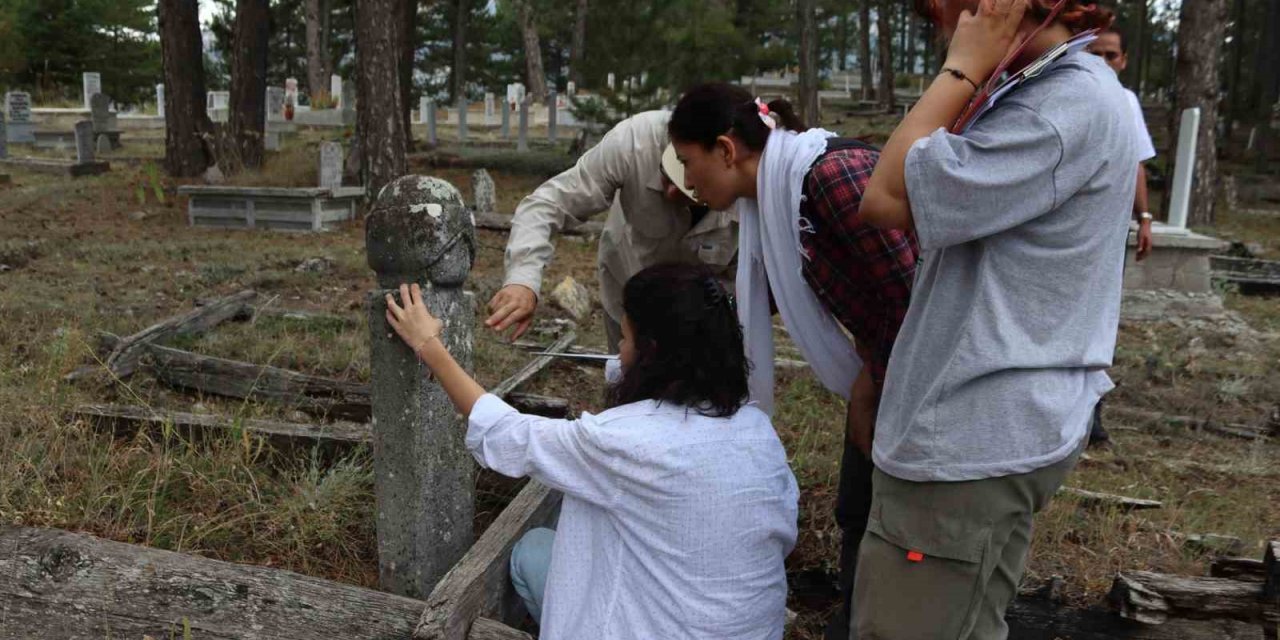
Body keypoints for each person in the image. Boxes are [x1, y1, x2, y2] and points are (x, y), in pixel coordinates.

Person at [854, 0, 1134, 636]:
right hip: (992, 425)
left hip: (969, 438)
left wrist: (961, 68)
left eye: (949, 12)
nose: (945, 27)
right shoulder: (1052, 89)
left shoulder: (1059, 107)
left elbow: (886, 195)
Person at [384, 263, 799, 640]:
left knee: (532, 552)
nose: (618, 347)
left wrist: (429, 345)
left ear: (652, 352)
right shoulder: (756, 430)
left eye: (625, 336)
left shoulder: (626, 443)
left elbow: (507, 432)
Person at [667, 82, 918, 638]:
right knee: (857, 509)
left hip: (925, 373)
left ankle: (882, 622)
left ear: (726, 150)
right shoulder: (773, 200)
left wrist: (869, 383)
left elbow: (914, 295)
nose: (686, 180)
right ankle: (856, 621)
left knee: (899, 521)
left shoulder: (831, 178)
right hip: (885, 361)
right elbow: (776, 286)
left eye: (689, 162)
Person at [486, 111, 738, 351]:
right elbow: (549, 204)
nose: (672, 191)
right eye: (667, 175)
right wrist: (523, 280)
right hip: (627, 297)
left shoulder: (753, 182)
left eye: (688, 190)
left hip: (706, 318)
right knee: (629, 385)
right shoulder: (635, 142)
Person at [1086, 25, 1158, 447]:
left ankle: (1092, 416)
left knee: (1100, 317)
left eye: (1110, 55)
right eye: (1094, 52)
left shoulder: (1125, 102)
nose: (1103, 61)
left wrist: (1144, 216)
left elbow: (1135, 162)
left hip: (1107, 234)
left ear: (1124, 60)